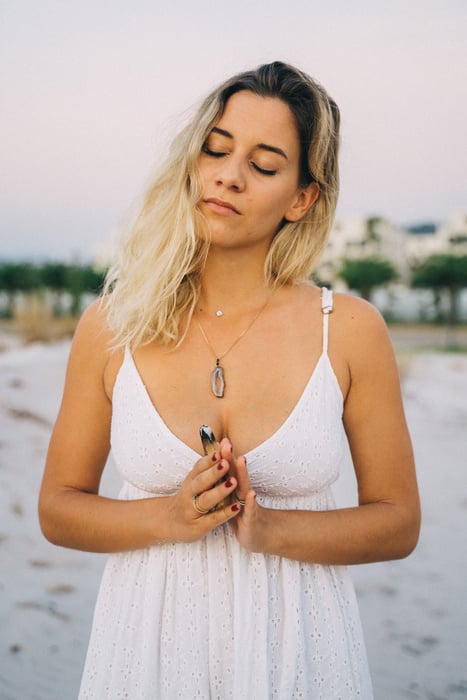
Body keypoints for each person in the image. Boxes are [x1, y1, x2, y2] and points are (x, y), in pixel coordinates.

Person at [39, 61, 420, 699]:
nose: (228, 175)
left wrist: (269, 529)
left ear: (302, 198)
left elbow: (398, 521)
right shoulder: (115, 325)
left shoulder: (350, 330)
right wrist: (169, 516)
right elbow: (57, 508)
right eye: (215, 149)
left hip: (299, 653)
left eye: (264, 165)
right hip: (147, 654)